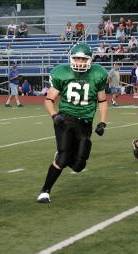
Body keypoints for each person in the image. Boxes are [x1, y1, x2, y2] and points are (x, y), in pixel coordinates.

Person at [37, 43, 108, 204]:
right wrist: (54, 115)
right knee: (63, 157)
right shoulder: (62, 73)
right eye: (76, 58)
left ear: (89, 60)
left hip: (85, 121)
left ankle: (63, 154)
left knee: (79, 165)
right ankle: (45, 191)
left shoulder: (98, 74)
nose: (79, 62)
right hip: (65, 118)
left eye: (83, 59)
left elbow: (102, 101)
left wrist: (103, 122)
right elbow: (48, 100)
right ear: (71, 58)